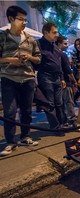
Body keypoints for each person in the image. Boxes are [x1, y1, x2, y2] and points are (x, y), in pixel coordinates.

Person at [0, 6, 41, 156]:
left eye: (25, 19)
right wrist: (10, 60)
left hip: (28, 78)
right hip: (9, 78)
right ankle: (11, 142)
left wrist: (29, 57)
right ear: (11, 19)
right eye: (21, 19)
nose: (24, 22)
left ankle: (25, 136)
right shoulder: (2, 37)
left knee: (27, 111)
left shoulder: (30, 39)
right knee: (9, 112)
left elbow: (38, 59)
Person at [35, 22, 66, 136]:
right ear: (46, 32)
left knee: (59, 102)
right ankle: (55, 127)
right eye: (54, 32)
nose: (57, 34)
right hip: (45, 76)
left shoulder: (55, 46)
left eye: (56, 32)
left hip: (57, 77)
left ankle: (60, 124)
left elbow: (59, 64)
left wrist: (62, 78)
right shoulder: (38, 44)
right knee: (50, 103)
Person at [56, 35, 77, 126]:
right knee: (68, 102)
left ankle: (63, 120)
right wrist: (74, 81)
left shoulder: (54, 53)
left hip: (57, 81)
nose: (67, 45)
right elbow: (68, 70)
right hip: (65, 82)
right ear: (59, 44)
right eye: (65, 43)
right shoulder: (62, 55)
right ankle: (72, 120)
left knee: (60, 103)